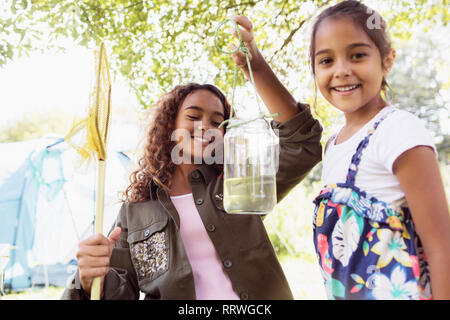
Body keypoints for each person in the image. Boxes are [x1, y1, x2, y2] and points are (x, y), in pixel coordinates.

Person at [61, 28, 323, 298]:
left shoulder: (239, 181)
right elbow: (119, 291)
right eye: (193, 116)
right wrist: (90, 277)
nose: (205, 127)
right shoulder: (135, 210)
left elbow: (303, 144)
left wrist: (253, 66)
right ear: (169, 125)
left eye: (216, 120)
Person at [304, 1, 450, 299]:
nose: (342, 71)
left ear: (387, 61)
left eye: (357, 55)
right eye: (326, 61)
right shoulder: (333, 145)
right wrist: (251, 58)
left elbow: (441, 246)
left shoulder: (398, 131)